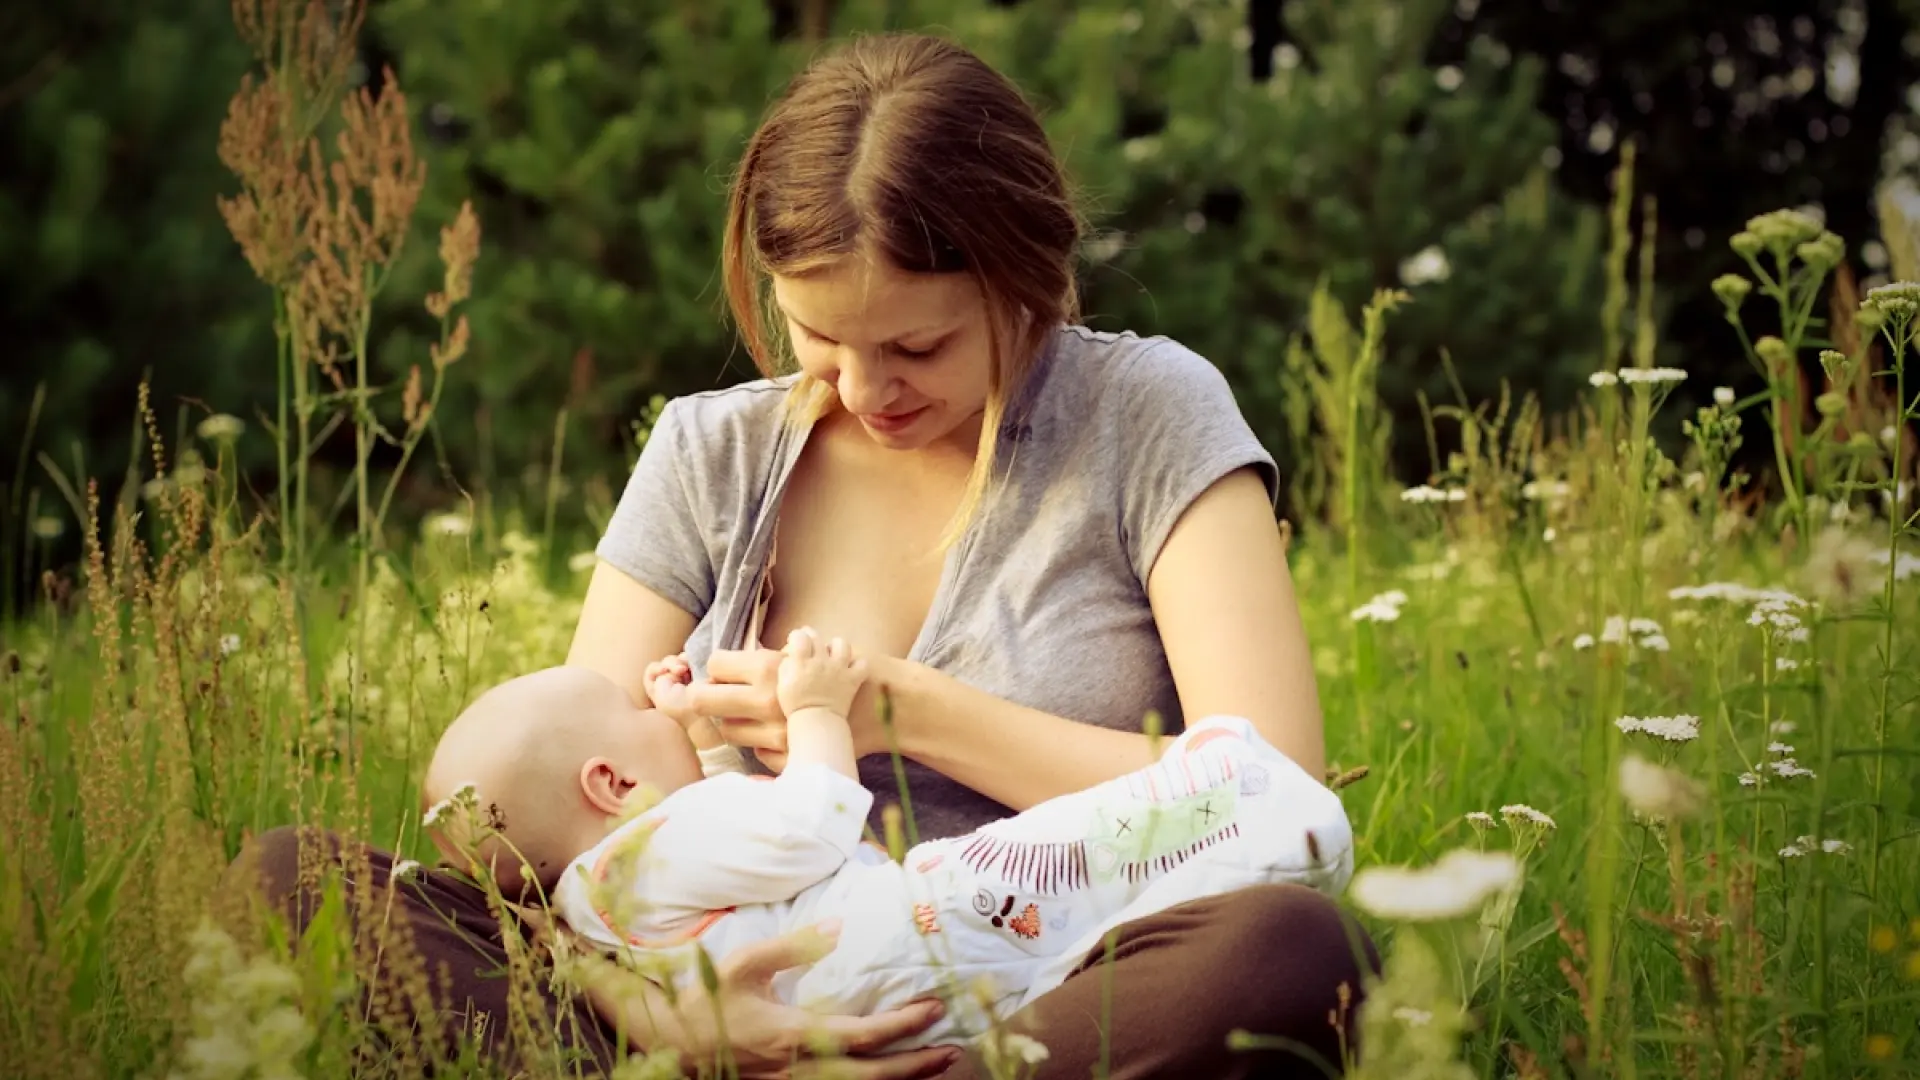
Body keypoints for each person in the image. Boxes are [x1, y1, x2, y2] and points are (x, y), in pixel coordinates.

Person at [225, 28, 1379, 1080]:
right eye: (818, 335)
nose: (867, 390)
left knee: (1290, 951)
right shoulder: (711, 452)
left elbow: (1272, 792)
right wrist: (658, 1014)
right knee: (289, 884)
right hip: (699, 999)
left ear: (1024, 278)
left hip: (1040, 992)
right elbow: (538, 845)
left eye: (917, 346)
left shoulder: (1148, 413)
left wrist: (904, 713)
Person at [417, 631, 1355, 1058]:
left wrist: (686, 734)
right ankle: (1233, 804)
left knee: (1273, 947)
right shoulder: (657, 839)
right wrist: (823, 715)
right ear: (612, 786)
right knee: (1062, 871)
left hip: (838, 1004)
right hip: (897, 931)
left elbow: (716, 847)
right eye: (634, 711)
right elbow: (810, 822)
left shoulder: (601, 897)